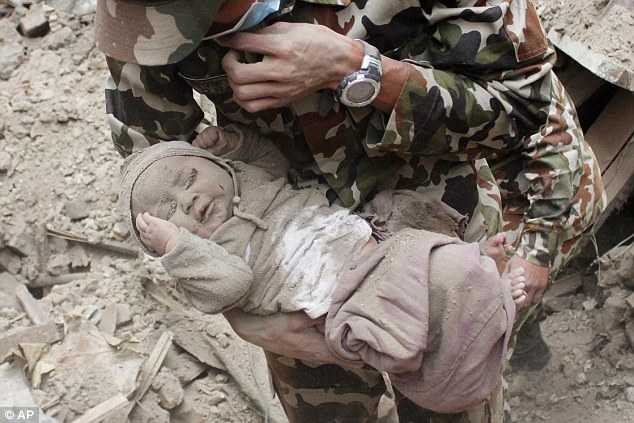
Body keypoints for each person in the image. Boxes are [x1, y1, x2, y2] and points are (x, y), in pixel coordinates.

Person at [94, 0, 606, 421]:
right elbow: (154, 172)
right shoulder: (145, 18)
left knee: (458, 388)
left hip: (437, 240)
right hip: (284, 271)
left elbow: (526, 112)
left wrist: (359, 72)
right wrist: (242, 310)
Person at [118, 125, 527, 413]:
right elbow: (230, 284)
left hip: (372, 241)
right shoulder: (209, 255)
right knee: (412, 345)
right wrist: (179, 247)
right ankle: (468, 329)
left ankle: (485, 280)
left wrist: (235, 143)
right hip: (342, 300)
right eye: (170, 212)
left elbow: (268, 158)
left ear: (220, 166)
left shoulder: (248, 179)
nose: (187, 200)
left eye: (190, 178)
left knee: (438, 259)